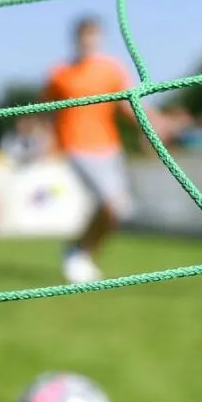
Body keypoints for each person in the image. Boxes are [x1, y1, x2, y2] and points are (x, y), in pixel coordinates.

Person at [43, 16, 167, 284]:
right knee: (111, 205)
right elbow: (46, 111)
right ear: (76, 38)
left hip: (109, 146)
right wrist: (46, 142)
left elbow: (128, 106)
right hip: (75, 146)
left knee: (117, 210)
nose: (89, 41)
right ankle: (80, 254)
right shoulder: (60, 73)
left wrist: (152, 128)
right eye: (84, 35)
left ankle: (80, 251)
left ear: (99, 39)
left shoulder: (111, 69)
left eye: (94, 35)